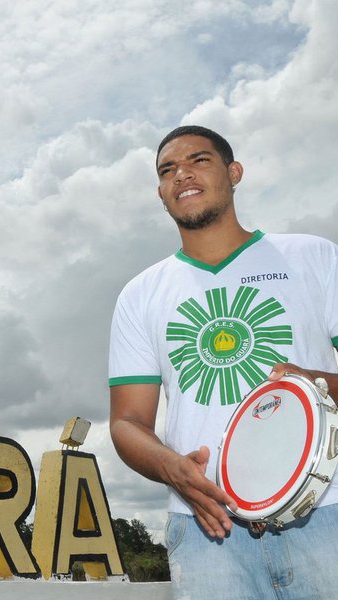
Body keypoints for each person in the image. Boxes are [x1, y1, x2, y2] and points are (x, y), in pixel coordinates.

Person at [108, 125, 338, 598]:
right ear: (160, 192)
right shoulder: (140, 295)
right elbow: (127, 422)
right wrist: (172, 467)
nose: (182, 175)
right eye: (168, 170)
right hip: (205, 531)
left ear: (234, 173)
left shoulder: (314, 257)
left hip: (326, 513)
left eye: (199, 160)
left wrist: (316, 385)